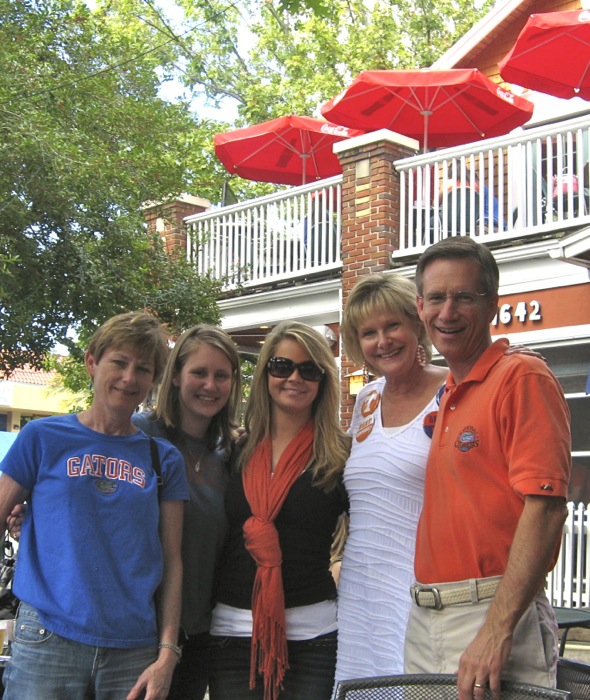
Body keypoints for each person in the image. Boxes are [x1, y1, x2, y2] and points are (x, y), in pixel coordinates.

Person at [405, 236, 571, 699]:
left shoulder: (521, 378)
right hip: (425, 616)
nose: (448, 312)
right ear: (420, 307)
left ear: (493, 303)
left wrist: (497, 631)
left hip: (489, 616)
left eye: (464, 297)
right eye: (436, 298)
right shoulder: (451, 392)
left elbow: (547, 508)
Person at [0, 311, 189, 700]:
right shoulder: (42, 437)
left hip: (133, 648)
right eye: (119, 362)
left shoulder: (164, 459)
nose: (129, 377)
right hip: (47, 639)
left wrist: (167, 652)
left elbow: (172, 560)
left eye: (143, 369)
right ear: (92, 362)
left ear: (153, 381)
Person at [208, 320, 350, 700]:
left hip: (315, 638)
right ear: (266, 372)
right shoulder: (233, 451)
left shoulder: (340, 456)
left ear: (323, 379)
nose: (294, 378)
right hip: (232, 637)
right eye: (283, 366)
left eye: (309, 369)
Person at [334, 274, 448, 681]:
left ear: (418, 324)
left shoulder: (454, 391)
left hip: (424, 589)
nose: (382, 340)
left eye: (392, 325)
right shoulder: (366, 399)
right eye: (369, 332)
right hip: (362, 585)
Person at [132, 324, 242, 700]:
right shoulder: (137, 434)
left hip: (198, 633)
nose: (210, 385)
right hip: (134, 630)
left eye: (221, 375)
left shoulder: (232, 454)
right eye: (199, 372)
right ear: (176, 375)